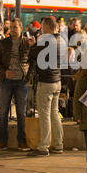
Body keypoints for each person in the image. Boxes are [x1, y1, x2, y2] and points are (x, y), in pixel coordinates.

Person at [27, 17, 66, 157]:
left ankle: (43, 146)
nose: (41, 30)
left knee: (44, 115)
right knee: (54, 113)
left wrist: (33, 45)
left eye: (42, 27)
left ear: (48, 27)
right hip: (57, 81)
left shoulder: (46, 40)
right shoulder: (61, 40)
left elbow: (32, 55)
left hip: (46, 82)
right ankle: (59, 144)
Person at [0, 18, 31, 151]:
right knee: (3, 113)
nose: (13, 30)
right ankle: (2, 141)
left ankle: (22, 141)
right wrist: (4, 72)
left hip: (21, 81)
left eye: (15, 27)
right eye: (12, 27)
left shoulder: (27, 43)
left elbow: (34, 60)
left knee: (21, 113)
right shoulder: (4, 43)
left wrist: (28, 76)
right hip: (6, 82)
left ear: (21, 28)